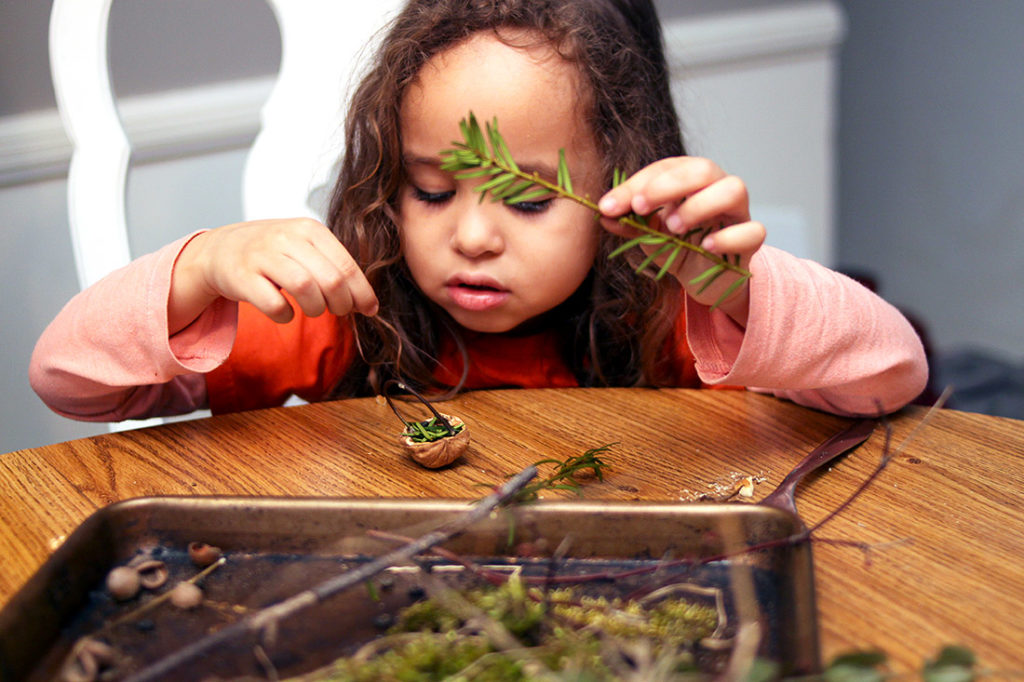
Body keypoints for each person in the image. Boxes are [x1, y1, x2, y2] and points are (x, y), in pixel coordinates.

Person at [30, 0, 927, 423]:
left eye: (530, 197)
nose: (469, 235)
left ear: (622, 183)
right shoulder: (348, 317)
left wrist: (741, 290)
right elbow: (68, 381)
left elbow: (891, 377)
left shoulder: (676, 319)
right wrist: (197, 268)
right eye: (430, 189)